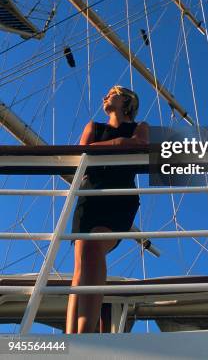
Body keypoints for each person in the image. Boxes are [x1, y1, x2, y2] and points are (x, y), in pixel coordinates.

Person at [65, 85, 149, 334]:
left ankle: (84, 334)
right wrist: (119, 142)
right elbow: (82, 153)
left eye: (112, 93)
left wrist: (116, 144)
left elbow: (138, 144)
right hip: (89, 196)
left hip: (119, 196)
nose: (105, 96)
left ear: (127, 100)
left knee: (93, 246)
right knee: (80, 266)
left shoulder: (139, 126)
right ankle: (71, 334)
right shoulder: (93, 127)